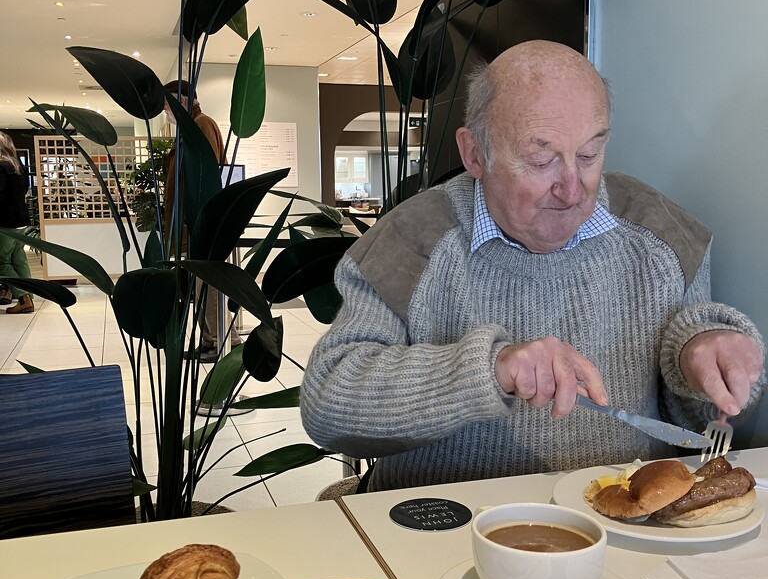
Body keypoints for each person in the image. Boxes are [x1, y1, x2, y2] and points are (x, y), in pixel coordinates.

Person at [300, 40, 765, 491]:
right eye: (541, 160)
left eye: (589, 155)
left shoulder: (662, 235)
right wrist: (489, 369)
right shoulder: (410, 243)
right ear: (475, 154)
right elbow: (327, 409)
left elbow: (705, 430)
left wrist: (697, 366)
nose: (572, 189)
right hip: (441, 522)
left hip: (621, 522)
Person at [162, 80, 241, 362]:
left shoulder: (202, 124)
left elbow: (204, 179)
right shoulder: (190, 127)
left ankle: (223, 341)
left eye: (167, 104)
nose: (165, 111)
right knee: (198, 287)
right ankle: (209, 340)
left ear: (182, 101)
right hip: (191, 225)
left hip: (201, 225)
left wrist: (198, 222)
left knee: (207, 287)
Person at [0, 132, 34, 315]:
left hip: (5, 220)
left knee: (2, 261)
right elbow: (25, 189)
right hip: (22, 218)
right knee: (18, 257)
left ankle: (23, 297)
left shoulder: (1, 166)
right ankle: (30, 295)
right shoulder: (18, 166)